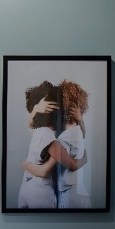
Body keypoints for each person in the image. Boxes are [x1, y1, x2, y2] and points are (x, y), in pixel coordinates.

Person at [18, 81, 87, 209]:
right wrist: (85, 159)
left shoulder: (40, 131)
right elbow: (48, 171)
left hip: (26, 186)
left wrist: (35, 110)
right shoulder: (53, 138)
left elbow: (31, 124)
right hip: (40, 189)